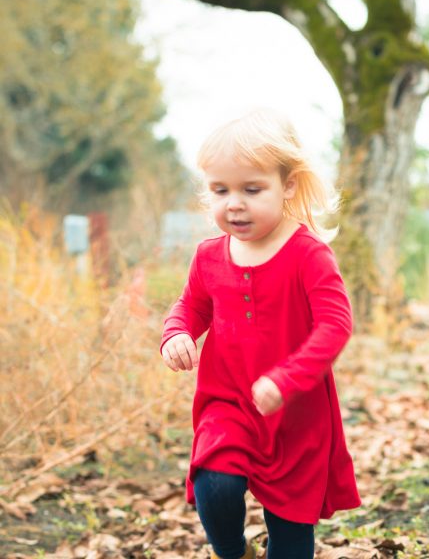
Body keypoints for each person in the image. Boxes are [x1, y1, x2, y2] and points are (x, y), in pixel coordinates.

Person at [160, 109, 360, 559]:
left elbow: (335, 324)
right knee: (214, 483)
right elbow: (191, 306)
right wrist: (177, 333)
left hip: (297, 415)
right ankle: (234, 552)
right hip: (228, 402)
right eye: (220, 190)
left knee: (291, 539)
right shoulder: (209, 255)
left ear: (287, 185)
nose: (234, 203)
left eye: (252, 189)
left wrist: (285, 379)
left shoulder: (308, 254)